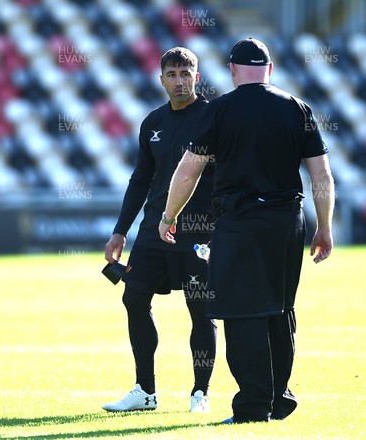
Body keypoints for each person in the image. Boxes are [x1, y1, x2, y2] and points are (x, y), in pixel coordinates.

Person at [158, 38, 334, 423]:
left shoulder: (219, 110)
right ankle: (279, 398)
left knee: (241, 311)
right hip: (288, 221)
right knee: (280, 308)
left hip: (239, 223)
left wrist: (169, 215)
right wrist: (325, 227)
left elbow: (189, 169)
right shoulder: (297, 108)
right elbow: (320, 173)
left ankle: (253, 407)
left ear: (233, 70)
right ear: (269, 70)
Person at [102, 47, 217, 413]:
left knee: (200, 309)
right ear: (161, 79)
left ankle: (201, 393)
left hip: (199, 231)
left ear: (197, 77)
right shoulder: (152, 123)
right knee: (133, 298)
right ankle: (145, 391)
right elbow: (141, 179)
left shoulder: (214, 118)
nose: (180, 81)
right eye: (172, 74)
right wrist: (121, 230)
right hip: (154, 230)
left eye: (187, 74)